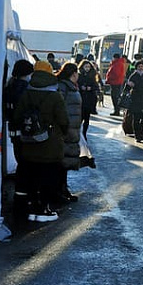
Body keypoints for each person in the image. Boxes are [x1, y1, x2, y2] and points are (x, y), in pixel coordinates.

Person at [14, 60, 69, 222]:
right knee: (48, 178)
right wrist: (61, 134)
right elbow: (64, 120)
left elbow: (17, 116)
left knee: (31, 177)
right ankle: (43, 210)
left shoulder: (26, 92)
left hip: (28, 143)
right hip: (50, 145)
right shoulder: (55, 94)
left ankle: (30, 209)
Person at [4, 59, 34, 226]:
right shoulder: (23, 89)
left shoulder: (10, 86)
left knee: (21, 161)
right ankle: (22, 199)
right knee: (25, 165)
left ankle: (20, 197)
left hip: (14, 132)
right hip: (23, 133)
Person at [55, 62, 82, 203]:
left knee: (64, 162)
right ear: (73, 74)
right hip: (66, 129)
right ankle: (59, 191)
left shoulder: (70, 87)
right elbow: (60, 107)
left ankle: (63, 189)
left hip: (72, 128)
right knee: (61, 162)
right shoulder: (63, 87)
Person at [77, 59, 99, 138]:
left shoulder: (92, 76)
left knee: (87, 118)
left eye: (88, 67)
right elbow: (76, 84)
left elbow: (96, 87)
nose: (87, 68)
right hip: (81, 98)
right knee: (80, 117)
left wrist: (91, 88)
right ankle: (78, 132)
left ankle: (84, 133)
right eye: (85, 67)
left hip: (89, 99)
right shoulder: (79, 76)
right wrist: (80, 87)